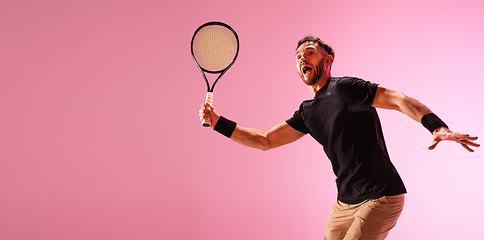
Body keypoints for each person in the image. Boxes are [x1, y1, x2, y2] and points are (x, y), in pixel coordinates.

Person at [198, 36, 480, 240]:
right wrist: (218, 122)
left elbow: (397, 100)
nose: (302, 59)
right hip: (345, 202)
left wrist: (436, 126)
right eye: (298, 56)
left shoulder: (346, 88)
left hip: (381, 196)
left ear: (327, 59)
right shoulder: (307, 112)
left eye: (309, 52)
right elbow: (265, 140)